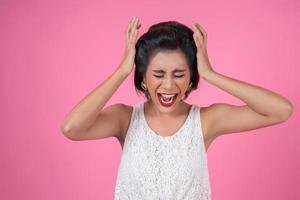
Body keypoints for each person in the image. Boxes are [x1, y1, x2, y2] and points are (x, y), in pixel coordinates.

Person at [60, 16, 294, 200]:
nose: (169, 85)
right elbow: (72, 128)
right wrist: (122, 71)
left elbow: (280, 110)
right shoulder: (125, 119)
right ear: (143, 77)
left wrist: (212, 75)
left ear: (191, 78)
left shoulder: (206, 121)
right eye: (158, 74)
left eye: (179, 74)